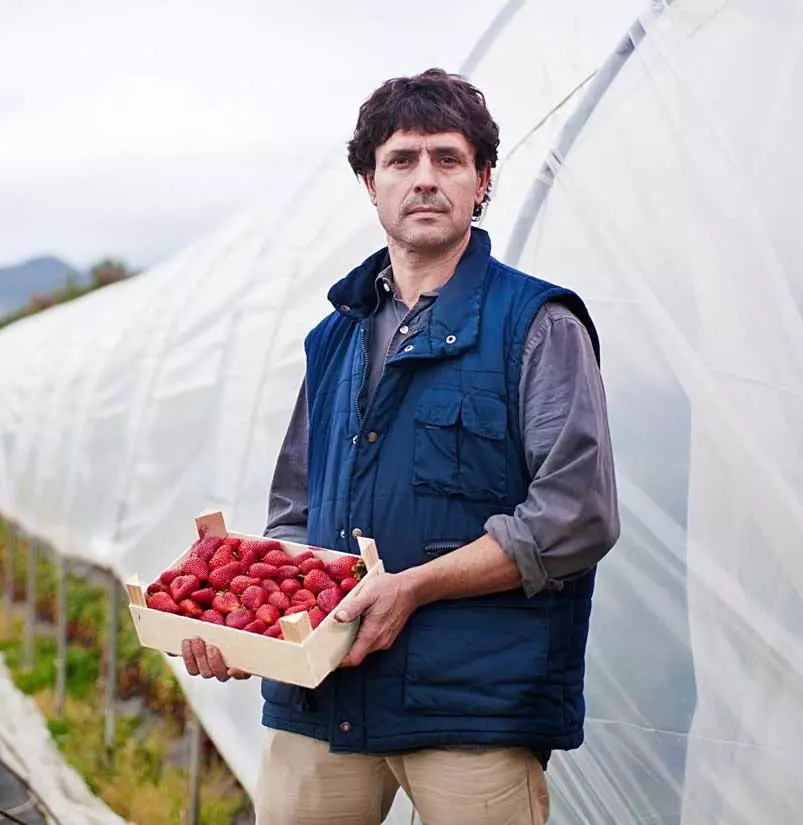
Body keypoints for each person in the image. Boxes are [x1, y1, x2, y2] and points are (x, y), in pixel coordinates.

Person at [180, 68, 619, 824]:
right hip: (321, 696)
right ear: (369, 182)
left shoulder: (538, 326)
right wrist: (242, 623)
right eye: (402, 160)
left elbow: (574, 516)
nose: (425, 179)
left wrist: (414, 585)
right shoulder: (335, 339)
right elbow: (296, 512)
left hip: (471, 709)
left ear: (482, 182)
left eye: (449, 160)